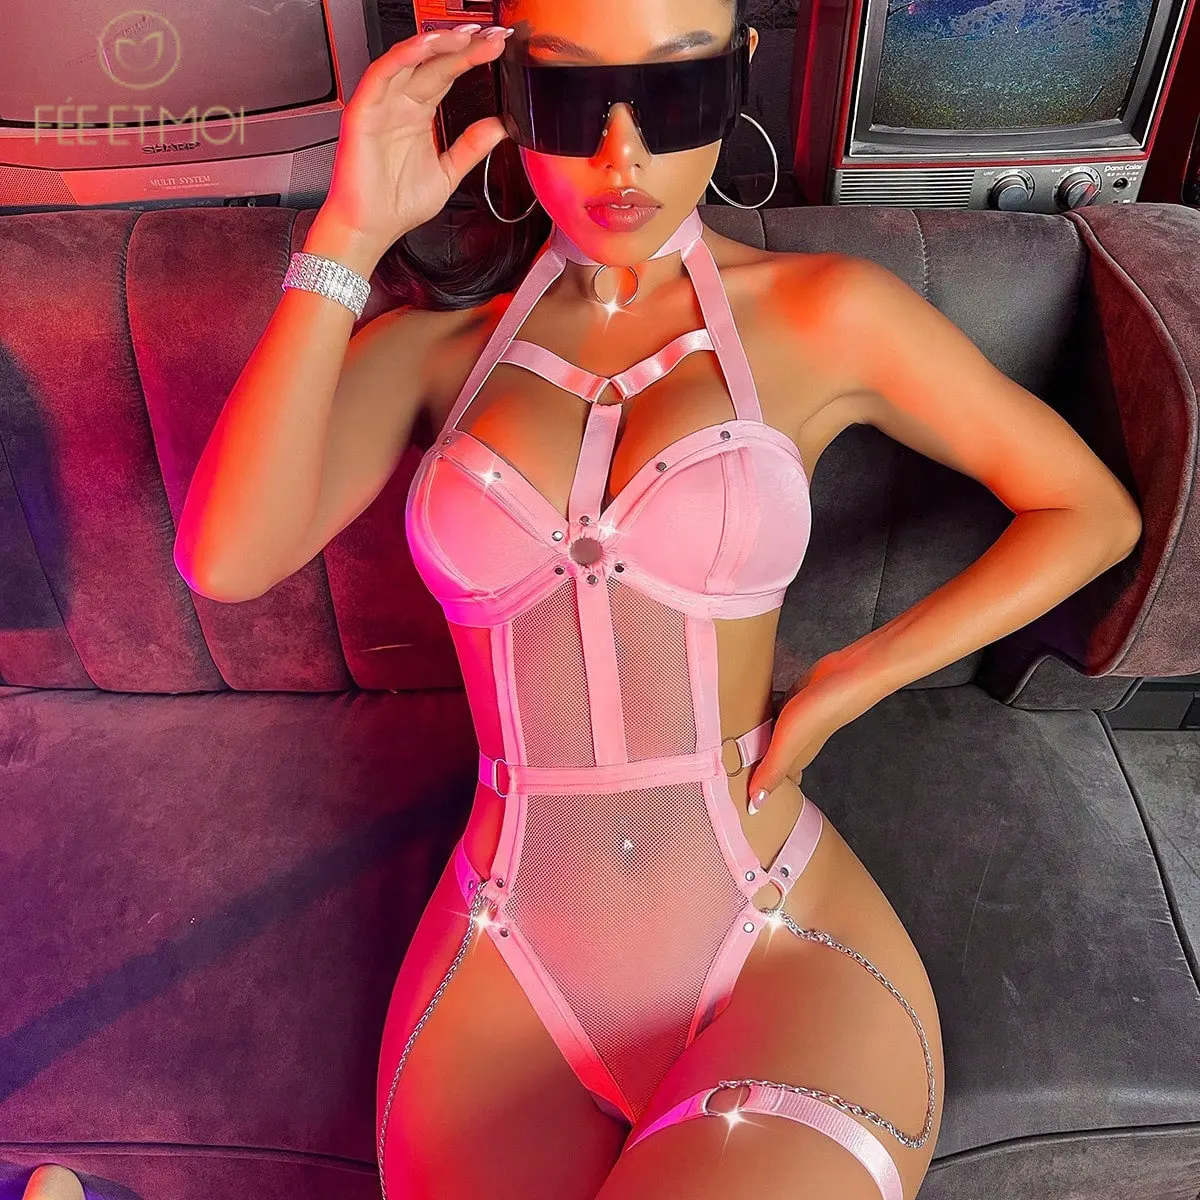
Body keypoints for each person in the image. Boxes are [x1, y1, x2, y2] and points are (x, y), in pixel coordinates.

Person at [175, 1, 1143, 1196]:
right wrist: (350, 231)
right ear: (508, 90)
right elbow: (226, 560)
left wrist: (852, 678)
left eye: (673, 92)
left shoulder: (825, 313)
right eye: (570, 95)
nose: (620, 152)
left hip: (773, 939)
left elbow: (1089, 511)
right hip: (506, 960)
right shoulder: (431, 354)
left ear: (738, 77)